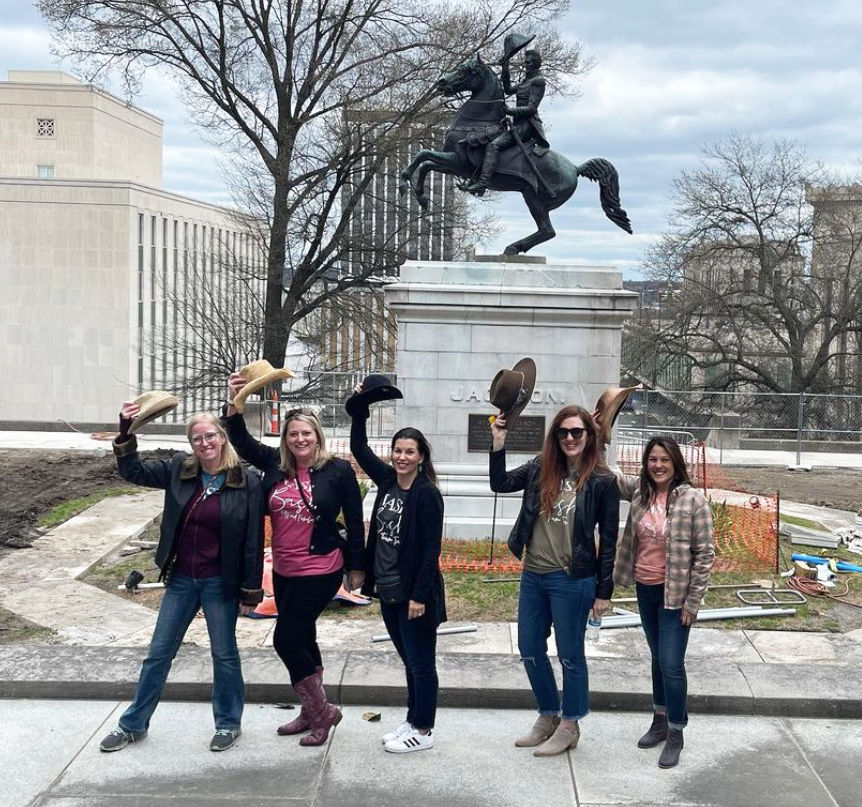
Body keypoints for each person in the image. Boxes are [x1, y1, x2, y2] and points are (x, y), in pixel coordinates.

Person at [100, 406, 264, 753]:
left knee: (224, 654)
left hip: (220, 582)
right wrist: (125, 432)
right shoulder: (180, 469)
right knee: (158, 654)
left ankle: (228, 724)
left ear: (222, 437)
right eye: (196, 438)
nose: (204, 443)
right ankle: (132, 725)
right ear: (190, 443)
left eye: (210, 435)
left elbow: (252, 540)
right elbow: (133, 471)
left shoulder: (245, 480)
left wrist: (251, 590)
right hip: (181, 580)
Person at [223, 374, 366, 746]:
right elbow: (239, 439)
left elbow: (353, 519)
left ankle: (322, 713)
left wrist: (357, 566)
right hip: (284, 570)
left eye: (306, 433)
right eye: (292, 434)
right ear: (285, 439)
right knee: (305, 637)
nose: (300, 439)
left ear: (318, 436)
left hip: (321, 568)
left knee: (285, 640)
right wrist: (234, 403)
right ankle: (309, 710)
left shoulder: (338, 470)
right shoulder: (275, 465)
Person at [489, 405, 619, 757]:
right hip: (535, 574)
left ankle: (570, 723)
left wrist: (603, 592)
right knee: (530, 649)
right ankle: (548, 715)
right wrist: (498, 443)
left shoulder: (602, 481)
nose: (570, 438)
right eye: (563, 432)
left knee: (571, 655)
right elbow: (499, 483)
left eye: (577, 432)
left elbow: (609, 540)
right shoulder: (538, 468)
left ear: (588, 436)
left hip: (573, 579)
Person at [348, 381, 446, 754]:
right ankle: (412, 718)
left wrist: (419, 596)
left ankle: (423, 728)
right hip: (388, 589)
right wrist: (359, 408)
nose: (402, 457)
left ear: (422, 457)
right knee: (408, 659)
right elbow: (358, 448)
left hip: (414, 594)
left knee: (422, 663)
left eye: (410, 452)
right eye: (397, 450)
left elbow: (430, 551)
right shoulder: (388, 481)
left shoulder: (426, 495)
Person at [610, 435, 714, 769]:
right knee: (657, 657)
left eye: (664, 460)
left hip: (676, 595)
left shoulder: (693, 500)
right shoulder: (640, 494)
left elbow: (705, 555)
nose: (658, 465)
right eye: (652, 459)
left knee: (671, 662)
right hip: (646, 588)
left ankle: (676, 731)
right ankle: (658, 718)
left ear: (675, 464)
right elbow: (606, 472)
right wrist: (598, 434)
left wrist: (692, 602)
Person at [464, 48, 549, 195]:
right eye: (525, 61)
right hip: (517, 124)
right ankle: (476, 177)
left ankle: (483, 183)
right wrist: (505, 67)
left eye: (528, 62)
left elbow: (531, 108)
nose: (525, 64)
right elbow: (508, 89)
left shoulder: (538, 82)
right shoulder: (527, 81)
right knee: (486, 139)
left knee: (494, 145)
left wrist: (510, 111)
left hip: (527, 125)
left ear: (535, 64)